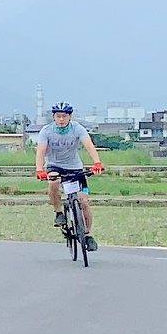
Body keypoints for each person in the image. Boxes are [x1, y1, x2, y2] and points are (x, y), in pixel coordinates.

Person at [35, 102, 103, 251]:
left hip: (74, 167)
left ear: (70, 117)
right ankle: (59, 212)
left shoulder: (77, 128)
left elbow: (88, 144)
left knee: (84, 202)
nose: (61, 119)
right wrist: (39, 169)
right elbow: (40, 151)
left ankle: (87, 234)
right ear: (53, 117)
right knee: (53, 182)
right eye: (58, 116)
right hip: (54, 165)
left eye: (64, 116)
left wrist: (97, 162)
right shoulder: (46, 131)